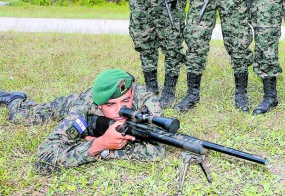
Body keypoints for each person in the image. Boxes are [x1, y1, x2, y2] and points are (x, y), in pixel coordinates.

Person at [1, 69, 165, 173]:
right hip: (69, 104)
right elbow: (45, 157)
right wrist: (99, 145)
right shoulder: (82, 109)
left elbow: (158, 150)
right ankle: (15, 99)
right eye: (110, 104)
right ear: (99, 105)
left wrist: (111, 148)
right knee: (21, 115)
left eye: (125, 101)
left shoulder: (146, 102)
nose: (119, 110)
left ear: (132, 92)